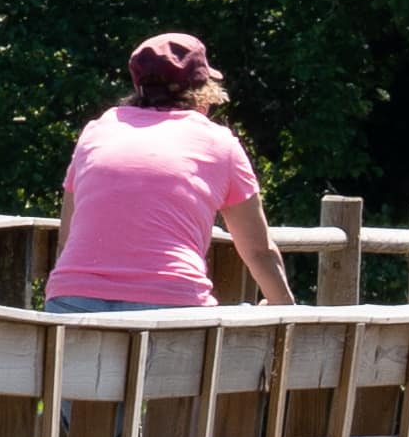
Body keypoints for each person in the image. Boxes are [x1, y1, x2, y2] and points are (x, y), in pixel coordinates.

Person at [48, 33, 295, 311]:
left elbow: (66, 240)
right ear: (203, 89)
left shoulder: (97, 131)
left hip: (71, 302)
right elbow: (259, 251)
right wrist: (284, 311)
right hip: (171, 306)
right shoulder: (219, 143)